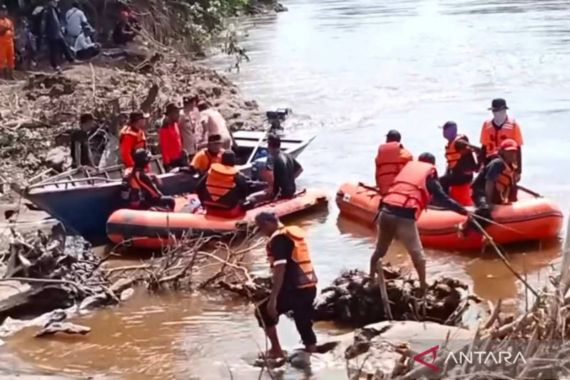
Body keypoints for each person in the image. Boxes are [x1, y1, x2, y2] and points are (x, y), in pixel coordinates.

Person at [369, 153, 469, 292]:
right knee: (419, 257)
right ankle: (423, 286)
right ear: (432, 164)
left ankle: (370, 278)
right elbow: (443, 199)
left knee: (380, 250)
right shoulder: (429, 178)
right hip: (404, 218)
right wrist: (463, 211)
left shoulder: (405, 173)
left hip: (385, 213)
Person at [254, 211, 318, 359]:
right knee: (303, 320)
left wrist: (273, 298)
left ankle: (276, 350)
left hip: (293, 289)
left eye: (261, 227)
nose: (262, 232)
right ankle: (311, 349)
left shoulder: (278, 239)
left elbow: (280, 269)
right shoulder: (291, 234)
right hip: (308, 286)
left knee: (263, 311)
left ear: (268, 223)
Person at [468, 139, 520, 231]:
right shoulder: (497, 163)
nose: (511, 154)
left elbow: (508, 187)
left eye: (513, 152)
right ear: (502, 152)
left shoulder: (511, 167)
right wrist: (489, 202)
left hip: (494, 193)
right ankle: (465, 225)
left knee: (491, 209)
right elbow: (489, 182)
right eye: (508, 152)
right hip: (480, 192)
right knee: (485, 210)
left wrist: (505, 201)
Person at [196, 151, 251, 218]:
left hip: (209, 206)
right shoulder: (237, 176)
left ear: (221, 160)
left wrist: (202, 202)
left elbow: (198, 187)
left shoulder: (210, 173)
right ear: (234, 161)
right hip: (228, 208)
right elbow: (244, 191)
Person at [438, 121, 478, 206]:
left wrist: (479, 163)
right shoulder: (451, 143)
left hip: (464, 176)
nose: (443, 133)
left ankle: (445, 204)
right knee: (443, 178)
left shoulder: (459, 142)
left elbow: (475, 149)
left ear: (450, 131)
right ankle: (447, 199)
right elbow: (451, 163)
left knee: (442, 181)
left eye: (444, 130)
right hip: (457, 174)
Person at [479, 98, 523, 173]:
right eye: (495, 111)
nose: (497, 113)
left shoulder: (513, 125)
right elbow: (484, 147)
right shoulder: (486, 125)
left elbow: (518, 149)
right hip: (490, 161)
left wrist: (519, 171)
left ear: (505, 110)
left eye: (500, 110)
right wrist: (481, 165)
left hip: (508, 163)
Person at [374, 129, 413, 195]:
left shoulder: (380, 155)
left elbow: (377, 175)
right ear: (399, 141)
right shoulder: (407, 154)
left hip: (384, 191)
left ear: (387, 140)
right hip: (400, 192)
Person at [41, 0, 75, 72]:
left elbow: (57, 21)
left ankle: (70, 59)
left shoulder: (55, 10)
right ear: (50, 2)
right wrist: (43, 33)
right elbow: (43, 23)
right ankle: (54, 65)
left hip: (57, 32)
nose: (56, 3)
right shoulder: (47, 11)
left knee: (64, 45)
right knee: (53, 50)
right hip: (51, 33)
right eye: (54, 2)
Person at [159, 103, 186, 171]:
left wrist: (182, 150)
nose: (178, 115)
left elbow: (179, 140)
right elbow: (164, 147)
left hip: (180, 158)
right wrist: (167, 165)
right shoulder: (164, 128)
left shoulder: (176, 125)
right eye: (176, 113)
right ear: (170, 114)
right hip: (172, 162)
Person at [180, 95, 200, 161]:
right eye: (192, 103)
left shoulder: (189, 115)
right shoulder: (181, 115)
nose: (194, 105)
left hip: (192, 146)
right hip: (186, 148)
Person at [0, 4, 15, 80]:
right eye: (2, 11)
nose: (3, 12)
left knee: (11, 59)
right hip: (1, 43)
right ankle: (2, 77)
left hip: (10, 43)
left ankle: (11, 76)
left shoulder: (9, 21)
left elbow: (12, 30)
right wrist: (5, 29)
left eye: (5, 11)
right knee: (2, 60)